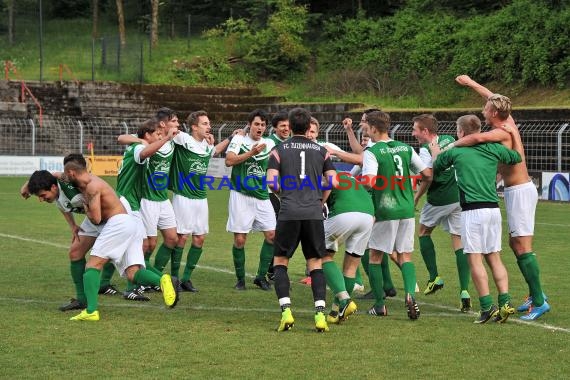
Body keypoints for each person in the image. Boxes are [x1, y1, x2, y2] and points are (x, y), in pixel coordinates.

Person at [453, 75, 550, 320]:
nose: (483, 110)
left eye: (486, 108)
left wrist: (450, 147)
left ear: (494, 112)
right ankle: (534, 293)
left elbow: (476, 138)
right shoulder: (508, 121)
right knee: (514, 244)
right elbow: (490, 96)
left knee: (522, 245)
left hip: (519, 192)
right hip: (516, 191)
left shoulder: (500, 132)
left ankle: (539, 300)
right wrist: (471, 83)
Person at [62, 155, 179, 321]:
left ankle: (91, 311)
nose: (64, 177)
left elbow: (95, 219)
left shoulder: (91, 188)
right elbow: (57, 176)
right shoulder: (90, 180)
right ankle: (163, 280)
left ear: (72, 172)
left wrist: (85, 206)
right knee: (133, 273)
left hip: (118, 224)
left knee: (93, 265)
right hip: (130, 223)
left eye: (66, 174)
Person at [432, 114, 521, 323]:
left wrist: (436, 151)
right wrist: (515, 135)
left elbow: (436, 167)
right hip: (493, 210)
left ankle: (486, 306)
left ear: (461, 132)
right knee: (494, 257)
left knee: (474, 259)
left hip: (472, 211)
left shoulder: (457, 150)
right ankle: (505, 302)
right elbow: (516, 158)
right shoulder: (493, 148)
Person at [266, 107, 338, 332]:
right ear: (309, 127)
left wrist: (283, 195)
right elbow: (333, 182)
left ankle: (286, 311)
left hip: (288, 212)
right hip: (313, 213)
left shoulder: (278, 150)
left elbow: (271, 183)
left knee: (280, 261)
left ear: (290, 125)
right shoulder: (321, 151)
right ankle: (319, 315)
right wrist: (321, 200)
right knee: (316, 263)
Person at [361, 110, 432, 319]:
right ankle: (410, 295)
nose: (367, 132)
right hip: (407, 209)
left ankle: (380, 305)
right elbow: (427, 174)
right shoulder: (405, 148)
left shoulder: (372, 151)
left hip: (385, 209)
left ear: (373, 128)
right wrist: (413, 191)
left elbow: (369, 182)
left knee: (374, 256)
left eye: (367, 129)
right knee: (405, 255)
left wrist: (351, 185)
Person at [22, 167, 118, 311]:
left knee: (130, 265)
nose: (41, 200)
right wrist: (73, 225)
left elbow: (91, 199)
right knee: (75, 253)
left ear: (53, 187)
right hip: (95, 218)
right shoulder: (56, 189)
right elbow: (62, 205)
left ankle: (158, 281)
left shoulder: (74, 193)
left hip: (112, 216)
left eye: (42, 195)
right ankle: (82, 300)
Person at [169, 110, 237, 292]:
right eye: (205, 124)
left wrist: (230, 137)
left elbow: (215, 150)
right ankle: (174, 277)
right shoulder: (183, 139)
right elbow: (168, 131)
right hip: (183, 196)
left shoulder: (206, 146)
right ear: (193, 127)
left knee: (199, 238)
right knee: (182, 238)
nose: (209, 126)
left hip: (200, 198)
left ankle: (186, 279)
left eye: (209, 123)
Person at [411, 114, 472, 312]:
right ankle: (464, 290)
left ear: (425, 132)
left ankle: (434, 277)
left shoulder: (425, 150)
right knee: (458, 241)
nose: (413, 134)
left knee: (423, 232)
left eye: (416, 130)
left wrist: (417, 197)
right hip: (458, 195)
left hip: (439, 198)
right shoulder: (449, 139)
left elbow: (428, 177)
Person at [116, 118, 179, 301]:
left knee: (135, 250)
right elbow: (142, 151)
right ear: (147, 135)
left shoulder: (138, 146)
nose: (160, 137)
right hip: (126, 206)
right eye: (156, 134)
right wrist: (165, 138)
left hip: (131, 205)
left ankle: (156, 282)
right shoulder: (138, 149)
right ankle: (159, 281)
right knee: (124, 254)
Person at [225, 109, 276, 291]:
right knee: (240, 240)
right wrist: (251, 153)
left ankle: (261, 277)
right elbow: (229, 161)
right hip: (241, 195)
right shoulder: (239, 140)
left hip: (262, 196)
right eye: (256, 124)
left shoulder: (269, 143)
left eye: (263, 124)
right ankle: (240, 279)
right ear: (250, 125)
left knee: (272, 236)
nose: (260, 127)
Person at [322, 171, 374, 323]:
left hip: (344, 213)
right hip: (368, 216)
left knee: (322, 256)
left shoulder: (324, 175)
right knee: (351, 267)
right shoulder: (351, 178)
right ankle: (336, 311)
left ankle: (345, 300)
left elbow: (325, 190)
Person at [266, 110, 290, 280]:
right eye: (282, 126)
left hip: (288, 195)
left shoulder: (290, 143)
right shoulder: (269, 143)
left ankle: (273, 268)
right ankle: (272, 269)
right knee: (276, 233)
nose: (286, 128)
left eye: (288, 125)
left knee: (283, 232)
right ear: (275, 128)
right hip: (272, 193)